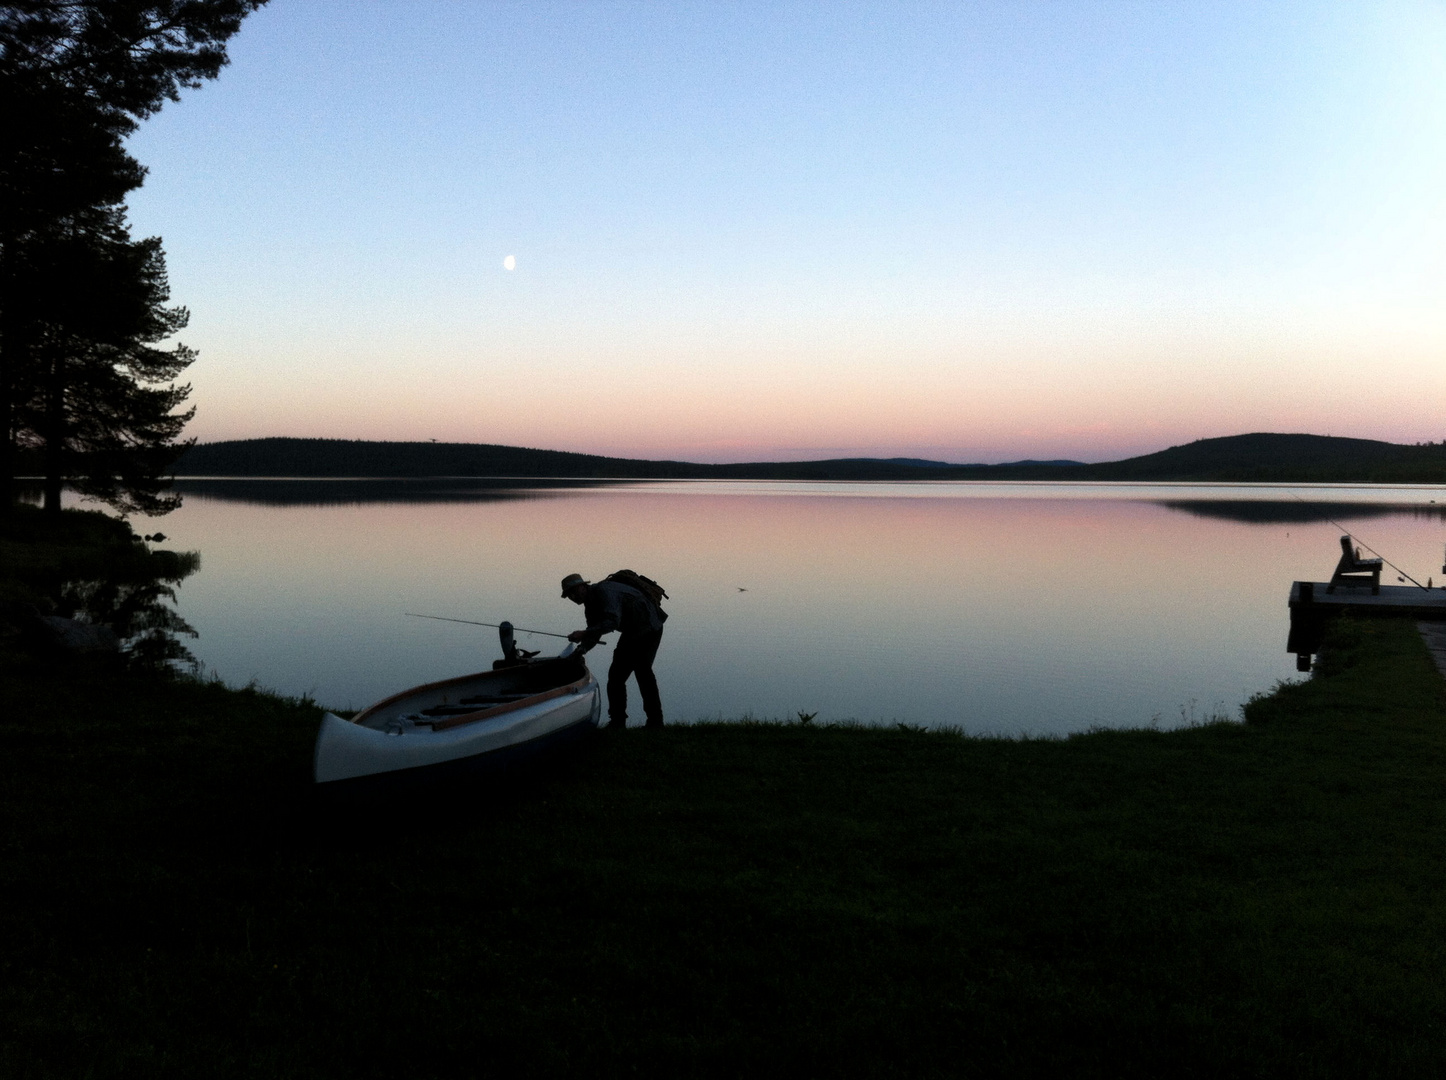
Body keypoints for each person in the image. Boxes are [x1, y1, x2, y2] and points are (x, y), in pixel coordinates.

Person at [561, 572, 666, 730]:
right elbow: (594, 632)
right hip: (632, 631)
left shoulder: (605, 592)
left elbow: (612, 621)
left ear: (584, 586)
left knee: (642, 671)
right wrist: (580, 650)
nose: (573, 596)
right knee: (616, 676)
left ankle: (655, 721)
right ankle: (618, 721)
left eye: (574, 591)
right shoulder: (589, 606)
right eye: (569, 594)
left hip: (650, 626)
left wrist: (584, 633)